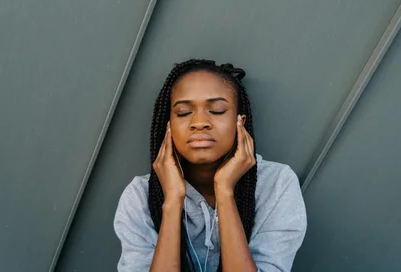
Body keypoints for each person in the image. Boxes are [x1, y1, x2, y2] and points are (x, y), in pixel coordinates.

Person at [114, 59, 307, 271]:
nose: (199, 122)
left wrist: (225, 191)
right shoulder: (140, 196)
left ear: (240, 122)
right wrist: (172, 201)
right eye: (184, 112)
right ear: (167, 126)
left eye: (216, 110)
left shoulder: (277, 185)